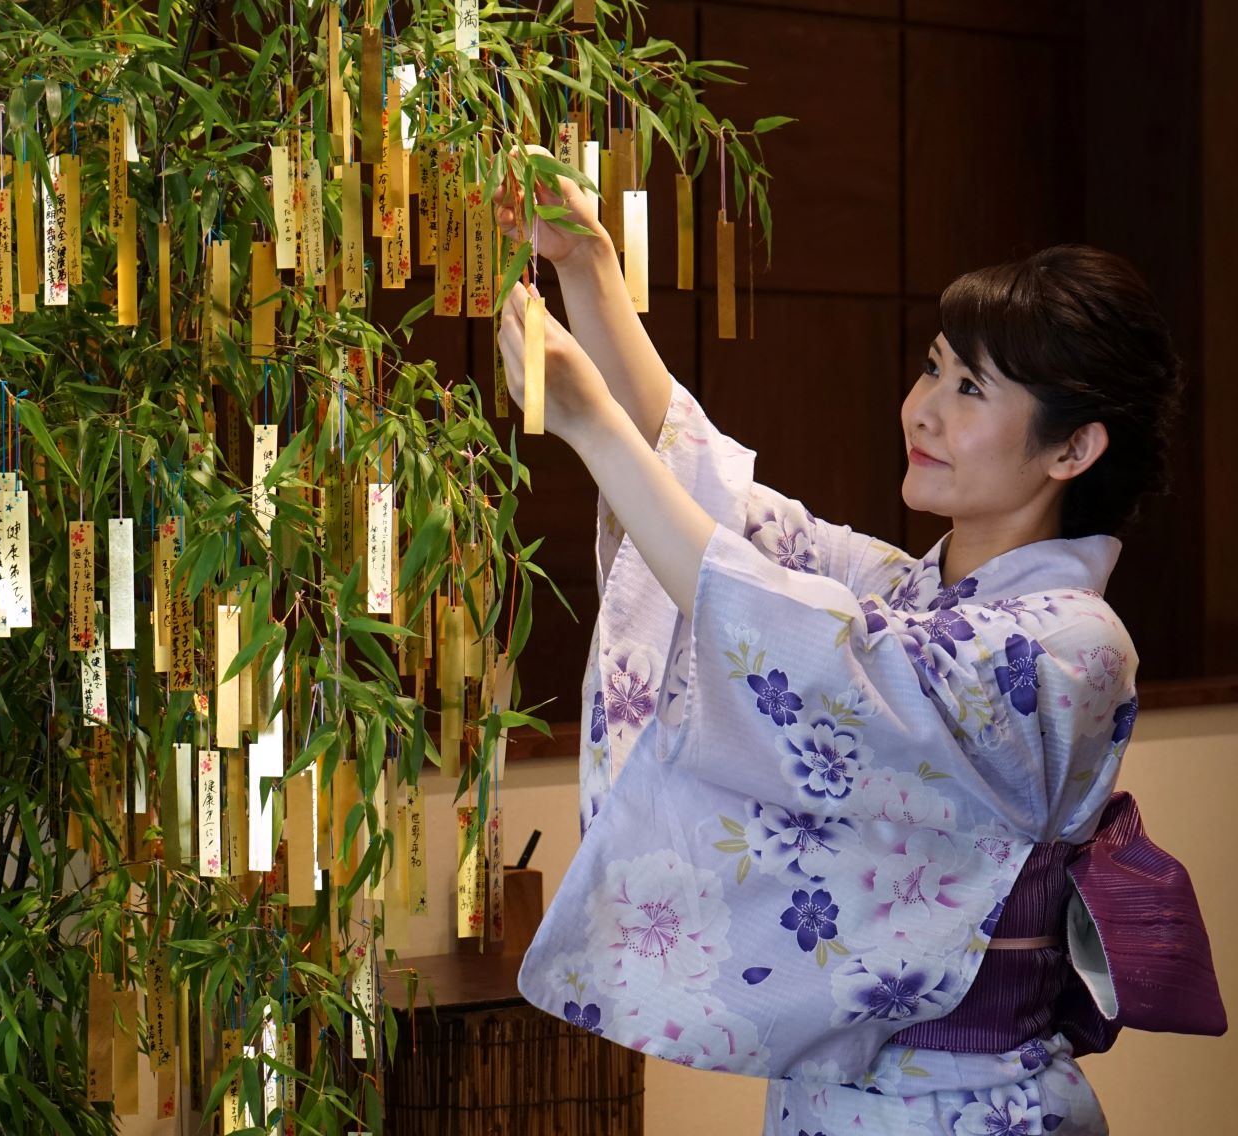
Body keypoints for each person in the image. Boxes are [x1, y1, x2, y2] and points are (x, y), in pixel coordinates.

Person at [492, 153, 1223, 1135]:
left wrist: (589, 426)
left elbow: (805, 648)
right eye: (933, 365)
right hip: (831, 1102)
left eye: (970, 388)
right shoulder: (907, 591)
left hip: (973, 1106)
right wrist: (589, 271)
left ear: (1071, 447)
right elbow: (721, 513)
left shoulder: (1069, 648)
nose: (923, 406)